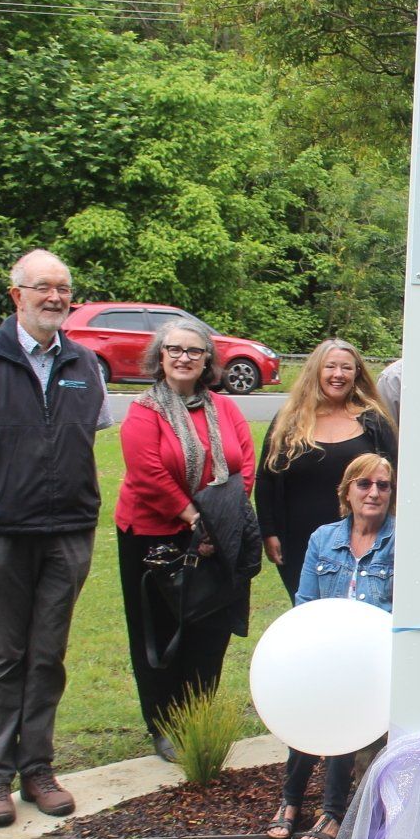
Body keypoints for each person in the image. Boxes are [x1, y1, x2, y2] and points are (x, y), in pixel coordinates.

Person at [0, 249, 114, 828]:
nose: (55, 298)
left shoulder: (85, 363)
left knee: (48, 655)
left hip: (68, 531)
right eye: (43, 287)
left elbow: (84, 441)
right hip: (5, 533)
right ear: (16, 295)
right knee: (6, 654)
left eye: (63, 289)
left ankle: (36, 768)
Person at [115, 319, 257, 762]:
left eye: (194, 351)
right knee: (160, 630)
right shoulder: (145, 410)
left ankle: (197, 717)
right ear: (160, 356)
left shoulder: (224, 408)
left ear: (207, 361)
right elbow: (148, 475)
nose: (183, 358)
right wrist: (199, 521)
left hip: (218, 538)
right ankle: (163, 725)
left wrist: (221, 523)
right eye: (174, 349)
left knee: (209, 628)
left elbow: (244, 463)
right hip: (155, 535)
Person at [271, 453, 399, 839]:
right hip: (325, 651)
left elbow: (400, 612)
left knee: (347, 702)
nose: (373, 492)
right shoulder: (322, 539)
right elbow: (305, 602)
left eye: (383, 485)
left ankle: (331, 809)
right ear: (347, 490)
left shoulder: (403, 542)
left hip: (374, 659)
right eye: (364, 484)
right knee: (312, 700)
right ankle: (290, 800)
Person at [256, 339, 397, 602]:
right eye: (330, 366)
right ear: (316, 371)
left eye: (346, 367)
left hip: (363, 535)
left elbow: (394, 477)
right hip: (297, 536)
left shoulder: (373, 421)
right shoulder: (289, 421)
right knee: (308, 611)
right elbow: (266, 478)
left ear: (357, 373)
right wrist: (269, 531)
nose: (338, 374)